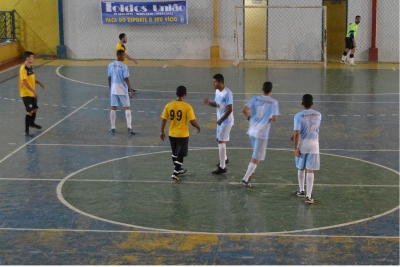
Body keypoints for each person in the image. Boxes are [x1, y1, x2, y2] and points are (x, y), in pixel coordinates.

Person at [240, 81, 279, 188]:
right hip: (261, 133)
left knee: (255, 153)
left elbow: (244, 109)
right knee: (256, 157)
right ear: (271, 90)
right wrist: (269, 118)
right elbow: (275, 119)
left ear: (262, 89)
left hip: (252, 130)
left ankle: (250, 171)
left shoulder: (255, 98)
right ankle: (245, 179)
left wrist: (249, 118)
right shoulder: (273, 102)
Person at [160, 86, 201, 182]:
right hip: (182, 134)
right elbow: (192, 121)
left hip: (172, 133)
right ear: (185, 94)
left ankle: (178, 170)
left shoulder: (168, 105)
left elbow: (164, 120)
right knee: (180, 155)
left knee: (174, 153)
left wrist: (161, 131)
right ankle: (174, 174)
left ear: (176, 94)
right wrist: (198, 126)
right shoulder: (187, 107)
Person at [293, 94, 322, 204]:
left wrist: (295, 148)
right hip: (314, 145)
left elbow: (297, 134)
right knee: (311, 170)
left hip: (302, 145)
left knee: (301, 168)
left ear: (302, 104)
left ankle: (301, 191)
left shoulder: (298, 116)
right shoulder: (319, 115)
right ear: (312, 103)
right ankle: (309, 197)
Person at [203, 73, 234, 175]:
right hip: (220, 120)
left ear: (221, 83)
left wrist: (221, 120)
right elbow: (217, 104)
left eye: (215, 82)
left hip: (226, 121)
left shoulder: (227, 93)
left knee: (221, 141)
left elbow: (230, 109)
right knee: (219, 139)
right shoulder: (217, 91)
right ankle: (224, 159)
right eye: (213, 83)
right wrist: (209, 104)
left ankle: (222, 167)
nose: (213, 84)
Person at [108, 50, 136, 134]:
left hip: (114, 89)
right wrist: (130, 90)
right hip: (122, 89)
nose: (124, 57)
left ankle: (112, 127)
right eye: (123, 56)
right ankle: (129, 127)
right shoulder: (124, 66)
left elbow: (109, 78)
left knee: (113, 107)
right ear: (119, 56)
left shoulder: (110, 65)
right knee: (127, 107)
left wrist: (110, 89)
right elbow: (126, 78)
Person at [19, 51, 45, 137]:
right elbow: (25, 82)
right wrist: (34, 91)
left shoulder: (30, 67)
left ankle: (32, 123)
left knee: (34, 109)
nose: (33, 58)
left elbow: (31, 79)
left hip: (32, 93)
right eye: (32, 57)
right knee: (29, 111)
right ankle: (26, 131)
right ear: (27, 58)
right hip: (26, 93)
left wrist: (39, 82)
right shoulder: (23, 68)